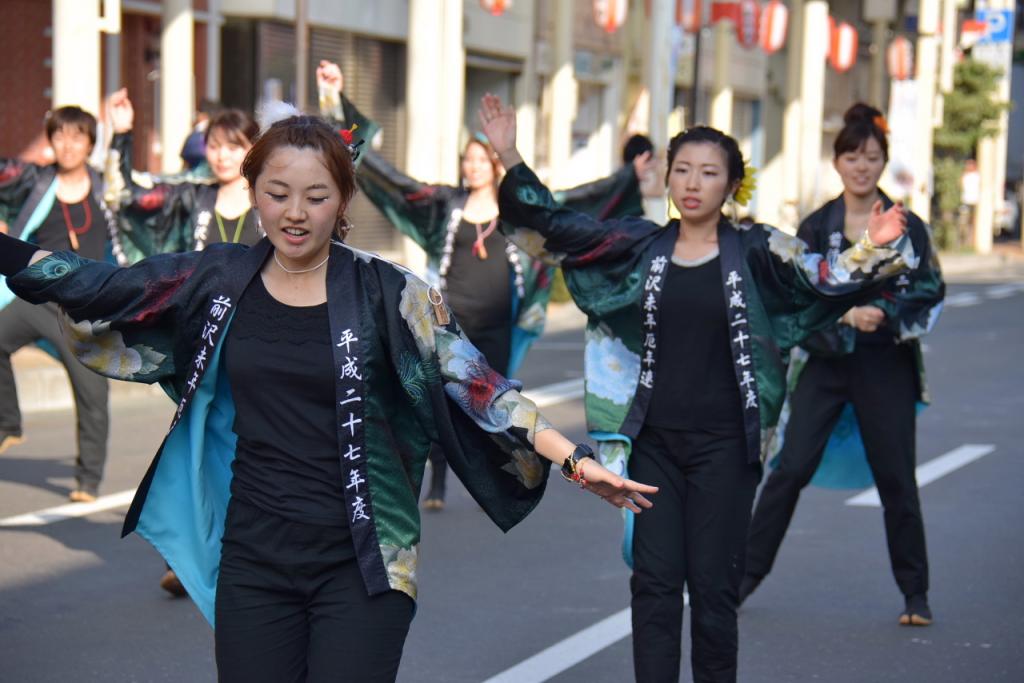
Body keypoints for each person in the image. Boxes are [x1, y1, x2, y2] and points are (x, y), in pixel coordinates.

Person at [0, 110, 656, 682]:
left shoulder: (389, 292)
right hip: (255, 559)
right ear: (253, 191)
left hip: (365, 562)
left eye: (315, 195)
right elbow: (103, 286)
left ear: (343, 199)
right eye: (278, 192)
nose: (294, 211)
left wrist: (572, 458)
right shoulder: (218, 279)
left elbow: (480, 384)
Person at [479, 93, 914, 682]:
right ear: (665, 176)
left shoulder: (759, 250)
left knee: (714, 592)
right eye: (682, 169)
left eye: (709, 173)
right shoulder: (638, 245)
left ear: (731, 185)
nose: (692, 183)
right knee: (654, 585)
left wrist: (873, 245)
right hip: (652, 443)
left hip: (726, 447)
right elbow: (555, 228)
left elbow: (821, 277)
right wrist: (508, 152)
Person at [316, 60, 656, 509]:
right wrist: (336, 107)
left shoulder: (515, 215)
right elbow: (388, 179)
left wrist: (628, 174)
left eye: (483, 158)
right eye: (469, 159)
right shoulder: (443, 205)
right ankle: (436, 483)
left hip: (497, 324)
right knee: (434, 399)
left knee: (491, 399)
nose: (474, 166)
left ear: (494, 165)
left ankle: (509, 477)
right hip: (445, 318)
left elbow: (576, 207)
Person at [741, 104, 945, 626]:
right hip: (826, 362)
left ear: (883, 163)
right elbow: (796, 296)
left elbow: (930, 290)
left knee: (896, 477)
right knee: (789, 471)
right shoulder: (817, 226)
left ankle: (915, 595)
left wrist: (887, 314)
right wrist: (843, 315)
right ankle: (742, 579)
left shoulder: (906, 225)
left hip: (886, 362)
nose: (862, 166)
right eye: (852, 156)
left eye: (872, 157)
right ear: (837, 163)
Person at [0, 105, 123, 502]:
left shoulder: (107, 190)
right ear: (50, 140)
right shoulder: (35, 182)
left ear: (90, 143)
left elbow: (144, 203)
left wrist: (123, 136)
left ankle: (87, 480)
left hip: (87, 307)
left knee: (92, 393)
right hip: (38, 299)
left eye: (76, 137)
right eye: (59, 136)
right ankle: (8, 424)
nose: (67, 145)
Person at [105, 89, 261, 259]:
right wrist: (121, 133)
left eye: (232, 148)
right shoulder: (189, 196)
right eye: (214, 146)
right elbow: (124, 195)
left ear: (252, 149)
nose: (222, 156)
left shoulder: (269, 200)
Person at [180, 98, 222, 171]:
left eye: (197, 114)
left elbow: (185, 163)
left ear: (203, 115)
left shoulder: (196, 134)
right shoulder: (221, 132)